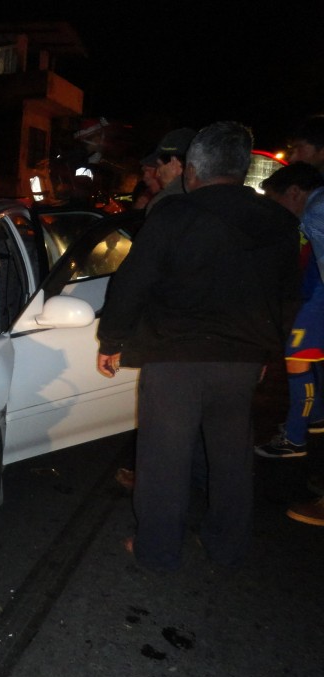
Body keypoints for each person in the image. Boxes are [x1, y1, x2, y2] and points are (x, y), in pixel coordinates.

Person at [96, 121, 300, 570]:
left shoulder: (174, 215)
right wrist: (268, 351)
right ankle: (227, 546)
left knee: (164, 459)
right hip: (243, 359)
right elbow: (288, 297)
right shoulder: (282, 222)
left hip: (176, 358)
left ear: (192, 170)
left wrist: (112, 339)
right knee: (231, 456)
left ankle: (158, 550)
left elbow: (133, 283)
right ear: (244, 169)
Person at [253, 163, 324, 459]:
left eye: (275, 198)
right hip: (314, 295)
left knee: (297, 360)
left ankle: (294, 439)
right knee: (312, 359)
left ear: (294, 192)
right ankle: (315, 419)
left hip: (317, 298)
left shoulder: (316, 211)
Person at [145, 127, 196, 212]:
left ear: (173, 162)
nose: (157, 174)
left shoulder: (162, 204)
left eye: (159, 166)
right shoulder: (211, 193)